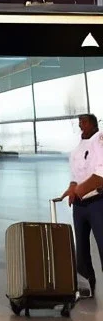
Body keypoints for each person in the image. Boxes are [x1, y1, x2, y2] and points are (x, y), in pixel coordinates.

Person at [60, 114, 103, 297]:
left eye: (84, 123)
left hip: (97, 202)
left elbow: (100, 173)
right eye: (79, 123)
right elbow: (75, 175)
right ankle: (86, 285)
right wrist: (72, 189)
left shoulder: (99, 141)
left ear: (93, 125)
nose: (81, 126)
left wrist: (80, 189)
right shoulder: (78, 148)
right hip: (80, 205)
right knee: (82, 247)